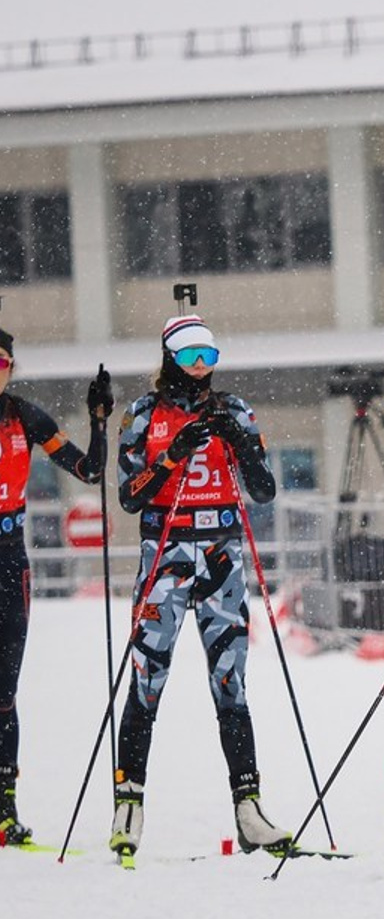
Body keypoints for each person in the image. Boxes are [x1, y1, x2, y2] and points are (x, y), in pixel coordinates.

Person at [112, 315, 288, 859]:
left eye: (208, 357)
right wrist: (171, 456)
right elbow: (130, 495)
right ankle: (128, 806)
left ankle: (250, 809)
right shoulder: (143, 413)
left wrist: (242, 444)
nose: (200, 368)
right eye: (189, 357)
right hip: (165, 555)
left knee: (230, 683)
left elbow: (263, 491)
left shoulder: (233, 409)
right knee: (147, 677)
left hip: (221, 557)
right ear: (169, 357)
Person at [0, 330, 109, 846]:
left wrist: (99, 421)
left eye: (1, 363)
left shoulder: (25, 416)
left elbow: (88, 469)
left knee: (4, 691)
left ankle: (4, 810)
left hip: (8, 557)